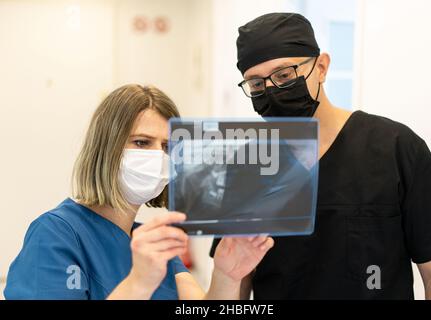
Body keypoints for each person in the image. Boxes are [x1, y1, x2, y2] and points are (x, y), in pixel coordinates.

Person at [211, 12, 431, 299]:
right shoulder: (246, 168)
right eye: (257, 84)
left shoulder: (396, 148)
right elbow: (233, 286)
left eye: (284, 75)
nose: (272, 90)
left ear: (322, 67)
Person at [4, 84, 274, 300]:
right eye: (142, 142)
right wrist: (139, 283)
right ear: (106, 148)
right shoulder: (57, 234)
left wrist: (227, 275)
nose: (158, 156)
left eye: (167, 147)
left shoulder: (152, 242)